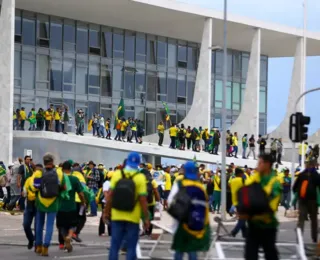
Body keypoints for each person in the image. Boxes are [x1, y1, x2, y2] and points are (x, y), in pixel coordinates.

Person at [103, 152, 150, 260]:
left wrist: (106, 212)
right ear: (138, 163)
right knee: (131, 246)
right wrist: (146, 217)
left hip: (117, 215)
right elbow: (143, 199)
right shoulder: (140, 177)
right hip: (133, 216)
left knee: (114, 245)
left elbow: (110, 196)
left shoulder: (117, 174)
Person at [168, 161, 211, 260]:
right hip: (195, 223)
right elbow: (205, 207)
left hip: (180, 222)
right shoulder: (200, 187)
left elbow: (170, 200)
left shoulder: (179, 184)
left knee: (179, 249)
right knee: (192, 250)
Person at [243, 153, 282, 260]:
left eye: (260, 163)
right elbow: (245, 194)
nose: (257, 165)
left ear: (267, 164)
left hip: (268, 226)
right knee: (250, 255)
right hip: (253, 225)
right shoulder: (254, 178)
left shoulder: (275, 183)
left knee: (270, 254)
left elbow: (272, 206)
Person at [32, 153, 66, 256]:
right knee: (50, 225)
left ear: (44, 162)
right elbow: (64, 187)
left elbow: (35, 188)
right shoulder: (59, 173)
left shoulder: (38, 173)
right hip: (54, 202)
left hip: (41, 202)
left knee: (39, 224)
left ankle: (38, 246)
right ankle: (46, 247)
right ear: (52, 161)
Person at [57, 161, 86, 252]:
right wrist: (83, 202)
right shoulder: (74, 179)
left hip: (60, 207)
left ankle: (65, 238)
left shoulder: (59, 179)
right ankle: (69, 236)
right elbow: (81, 193)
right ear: (71, 169)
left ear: (62, 169)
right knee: (72, 225)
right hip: (72, 207)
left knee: (61, 226)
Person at [293, 157, 320, 243]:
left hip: (304, 200)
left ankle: (299, 239)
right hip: (312, 201)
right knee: (313, 220)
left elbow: (295, 187)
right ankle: (314, 238)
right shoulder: (316, 175)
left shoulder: (302, 175)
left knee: (302, 220)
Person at [23, 164, 42, 250]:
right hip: (30, 204)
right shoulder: (29, 180)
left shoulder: (44, 180)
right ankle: (31, 239)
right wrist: (24, 193)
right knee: (26, 224)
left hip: (39, 204)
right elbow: (24, 192)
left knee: (37, 226)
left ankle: (37, 245)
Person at [229, 168, 247, 238]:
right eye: (242, 173)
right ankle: (234, 232)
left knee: (242, 217)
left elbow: (229, 186)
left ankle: (245, 234)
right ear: (240, 174)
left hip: (235, 201)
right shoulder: (242, 180)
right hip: (242, 202)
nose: (243, 175)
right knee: (243, 219)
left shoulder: (232, 180)